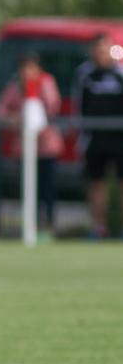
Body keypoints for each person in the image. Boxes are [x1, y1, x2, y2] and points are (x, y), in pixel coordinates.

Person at [0, 53, 63, 234]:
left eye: (31, 68)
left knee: (46, 188)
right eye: (24, 68)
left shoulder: (46, 83)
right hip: (24, 147)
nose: (27, 72)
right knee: (27, 188)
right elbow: (0, 111)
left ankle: (48, 225)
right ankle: (28, 224)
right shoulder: (15, 86)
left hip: (46, 147)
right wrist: (14, 118)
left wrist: (39, 88)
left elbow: (53, 107)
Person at [72, 32, 123, 239]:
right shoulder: (84, 74)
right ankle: (99, 228)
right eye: (97, 49)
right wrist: (80, 136)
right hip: (95, 138)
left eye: (104, 49)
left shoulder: (120, 73)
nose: (101, 53)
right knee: (96, 184)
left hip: (119, 138)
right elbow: (78, 107)